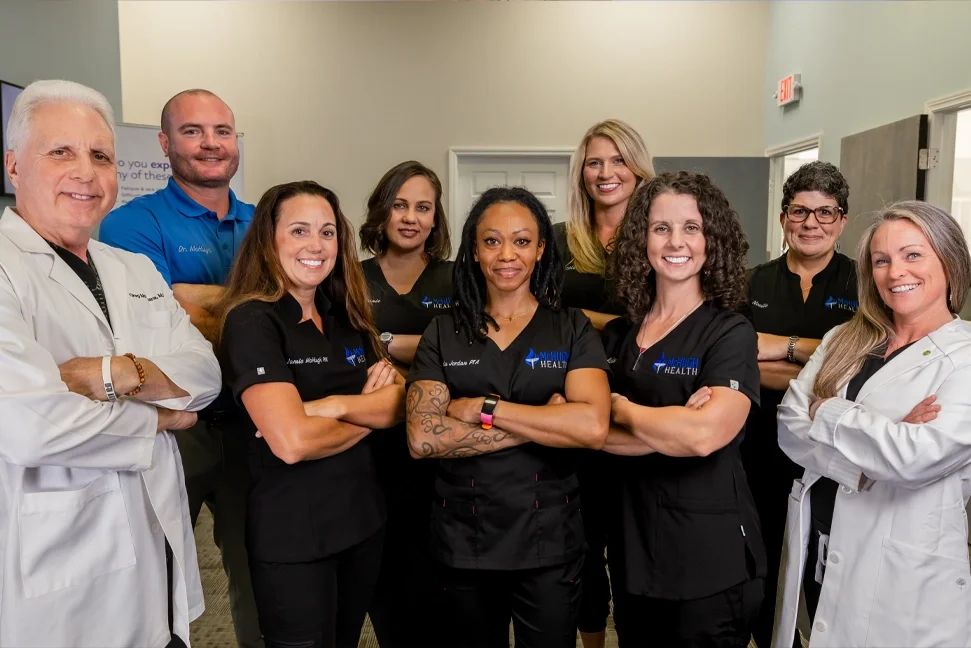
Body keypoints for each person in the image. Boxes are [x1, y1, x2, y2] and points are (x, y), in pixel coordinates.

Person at [0, 79, 221, 646]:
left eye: (101, 155)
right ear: (13, 166)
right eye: (61, 152)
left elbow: (204, 374)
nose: (85, 172)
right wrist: (160, 416)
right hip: (59, 575)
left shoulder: (132, 268)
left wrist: (111, 374)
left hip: (157, 545)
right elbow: (30, 426)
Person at [406, 186, 611, 648]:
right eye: (492, 240)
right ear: (474, 250)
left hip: (549, 539)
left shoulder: (571, 327)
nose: (506, 255)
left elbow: (593, 428)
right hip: (464, 538)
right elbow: (423, 438)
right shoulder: (444, 331)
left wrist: (485, 410)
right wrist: (546, 423)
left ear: (541, 249)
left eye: (521, 241)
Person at [99, 89, 261, 648]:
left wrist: (198, 300)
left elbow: (293, 313)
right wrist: (258, 306)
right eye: (193, 131)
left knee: (259, 570)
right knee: (155, 570)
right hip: (173, 425)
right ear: (165, 143)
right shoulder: (129, 225)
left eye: (223, 130)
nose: (211, 143)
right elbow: (158, 322)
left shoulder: (264, 220)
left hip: (256, 421)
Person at [774, 201, 971, 648]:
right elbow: (788, 423)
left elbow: (914, 458)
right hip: (820, 544)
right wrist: (872, 450)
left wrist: (827, 411)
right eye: (881, 260)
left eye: (912, 255)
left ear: (950, 260)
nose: (894, 271)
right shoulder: (846, 338)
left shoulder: (965, 356)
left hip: (906, 577)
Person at [218, 180, 405, 648]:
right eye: (299, 231)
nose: (316, 245)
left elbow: (402, 402)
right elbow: (292, 442)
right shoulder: (252, 321)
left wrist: (336, 407)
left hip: (361, 522)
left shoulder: (346, 315)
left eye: (327, 232)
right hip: (295, 537)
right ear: (269, 239)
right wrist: (368, 411)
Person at [602, 171, 765, 647]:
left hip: (709, 557)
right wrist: (673, 420)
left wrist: (621, 408)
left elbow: (704, 437)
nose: (677, 242)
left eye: (691, 227)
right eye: (661, 228)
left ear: (711, 239)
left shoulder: (730, 332)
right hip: (634, 550)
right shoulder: (619, 334)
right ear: (641, 240)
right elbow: (587, 431)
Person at [741, 161, 855, 648]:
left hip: (835, 455)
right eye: (800, 211)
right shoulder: (751, 282)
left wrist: (781, 345)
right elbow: (736, 363)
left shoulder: (865, 283)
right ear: (784, 218)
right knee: (761, 563)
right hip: (758, 450)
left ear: (843, 220)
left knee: (827, 570)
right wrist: (824, 356)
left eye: (825, 213)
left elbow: (860, 368)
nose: (812, 223)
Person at [555, 118, 655, 648]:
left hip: (643, 407)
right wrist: (615, 325)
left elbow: (670, 322)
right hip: (572, 405)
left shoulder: (661, 238)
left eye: (619, 160)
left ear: (639, 170)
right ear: (581, 173)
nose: (606, 172)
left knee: (639, 546)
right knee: (583, 548)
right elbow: (541, 316)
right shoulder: (556, 241)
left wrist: (584, 318)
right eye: (595, 161)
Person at [359, 160, 452, 647]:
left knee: (440, 585)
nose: (410, 217)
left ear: (436, 219)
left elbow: (468, 347)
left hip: (440, 452)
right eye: (399, 205)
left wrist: (387, 340)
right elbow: (345, 349)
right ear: (382, 210)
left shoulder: (459, 279)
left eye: (423, 207)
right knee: (387, 584)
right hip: (370, 450)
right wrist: (430, 346)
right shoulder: (350, 276)